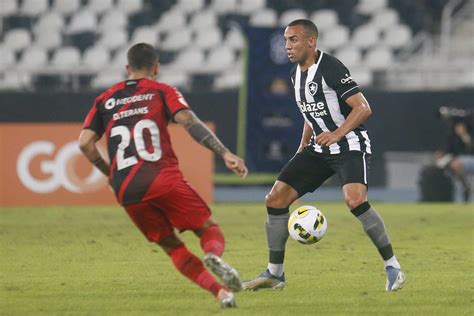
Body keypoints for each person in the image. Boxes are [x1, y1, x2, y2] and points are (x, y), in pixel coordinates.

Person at [78, 43, 248, 308]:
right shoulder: (161, 91)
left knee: (172, 247)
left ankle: (221, 293)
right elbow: (189, 121)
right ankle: (213, 255)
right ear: (156, 68)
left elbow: (85, 143)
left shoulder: (105, 99)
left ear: (127, 68)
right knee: (207, 227)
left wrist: (110, 173)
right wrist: (224, 153)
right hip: (161, 177)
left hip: (127, 189)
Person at [242, 19, 405, 292]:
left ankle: (393, 266)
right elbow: (311, 114)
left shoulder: (330, 67)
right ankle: (275, 274)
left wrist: (338, 133)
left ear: (311, 41)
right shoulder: (295, 75)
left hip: (349, 143)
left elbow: (363, 108)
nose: (287, 46)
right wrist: (302, 144)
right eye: (285, 40)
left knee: (355, 201)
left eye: (293, 39)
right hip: (318, 148)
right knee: (275, 198)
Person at [435, 113, 473, 202]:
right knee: (452, 164)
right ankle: (466, 187)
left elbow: (470, 148)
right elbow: (449, 151)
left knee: (456, 164)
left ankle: (466, 187)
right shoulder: (453, 138)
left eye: (460, 126)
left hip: (471, 159)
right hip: (459, 161)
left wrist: (464, 136)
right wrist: (441, 154)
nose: (458, 128)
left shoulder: (470, 135)